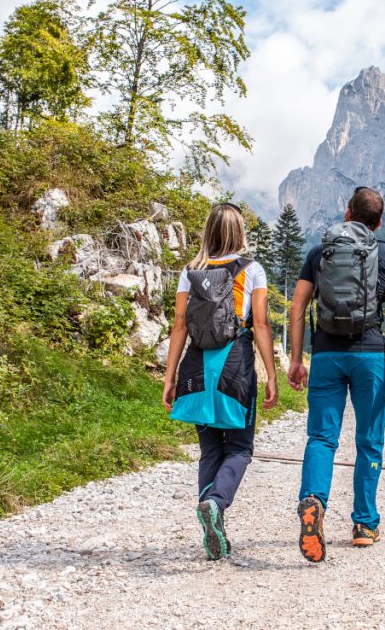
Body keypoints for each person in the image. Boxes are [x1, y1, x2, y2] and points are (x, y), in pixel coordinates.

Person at [287, 186, 385, 563]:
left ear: (347, 213)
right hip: (369, 357)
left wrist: (296, 358)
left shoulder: (319, 252)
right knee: (368, 440)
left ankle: (313, 500)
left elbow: (297, 307)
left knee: (322, 437)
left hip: (325, 355)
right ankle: (364, 524)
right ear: (378, 222)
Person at [163, 202, 278, 560]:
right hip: (235, 364)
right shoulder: (252, 270)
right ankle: (215, 502)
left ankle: (213, 525)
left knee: (210, 449)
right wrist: (271, 373)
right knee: (240, 448)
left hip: (196, 365)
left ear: (208, 231)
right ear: (240, 232)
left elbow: (180, 326)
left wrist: (170, 378)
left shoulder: (190, 272)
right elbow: (259, 324)